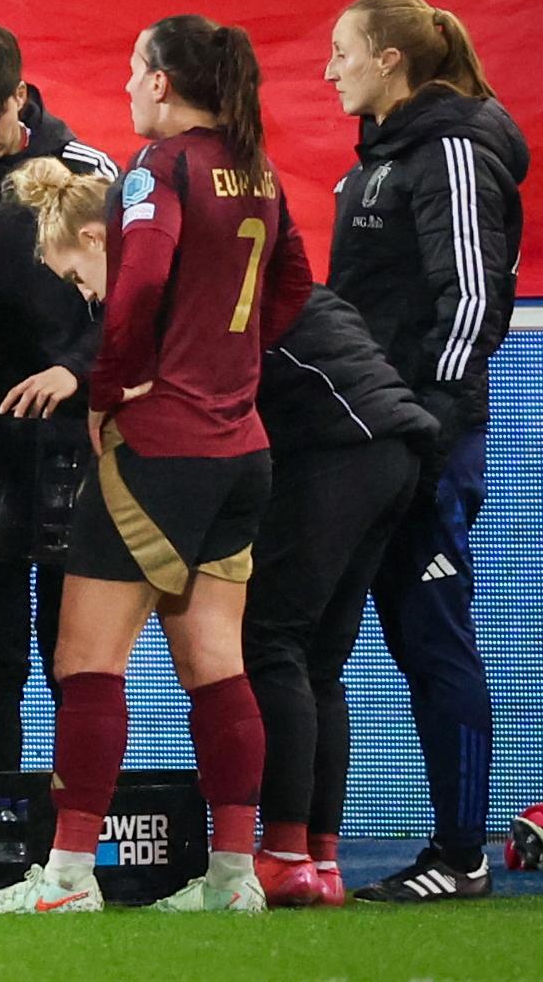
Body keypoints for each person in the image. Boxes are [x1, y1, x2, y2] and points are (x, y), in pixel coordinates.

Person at [0, 14, 312, 916]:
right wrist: (223, 370)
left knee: (87, 664)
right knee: (217, 666)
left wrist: (112, 388)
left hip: (160, 449)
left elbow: (142, 279)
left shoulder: (162, 168)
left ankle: (66, 878)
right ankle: (234, 878)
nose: (124, 87)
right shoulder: (260, 171)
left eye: (131, 70)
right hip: (242, 452)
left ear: (161, 81)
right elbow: (293, 290)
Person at [322, 0, 525, 902]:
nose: (330, 70)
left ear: (391, 60)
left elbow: (474, 299)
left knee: (435, 640)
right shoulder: (374, 164)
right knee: (339, 641)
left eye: (343, 52)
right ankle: (306, 851)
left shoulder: (449, 149)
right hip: (366, 442)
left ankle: (461, 852)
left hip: (424, 446)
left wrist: (428, 428)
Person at [0, 25, 116, 767]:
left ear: (22, 94)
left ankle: (71, 835)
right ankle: (0, 834)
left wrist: (77, 371)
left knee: (72, 650)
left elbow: (135, 303)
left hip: (70, 440)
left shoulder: (86, 170)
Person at [244, 285, 439, 907]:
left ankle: (281, 855)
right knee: (319, 663)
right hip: (398, 452)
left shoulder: (213, 285)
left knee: (269, 643)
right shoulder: (296, 284)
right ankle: (320, 861)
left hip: (344, 448)